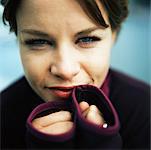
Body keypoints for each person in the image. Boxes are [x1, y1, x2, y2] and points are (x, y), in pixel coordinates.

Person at [1, 0, 150, 149]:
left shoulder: (145, 109)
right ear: (17, 41)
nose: (65, 70)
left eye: (87, 39)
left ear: (114, 36)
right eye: (38, 41)